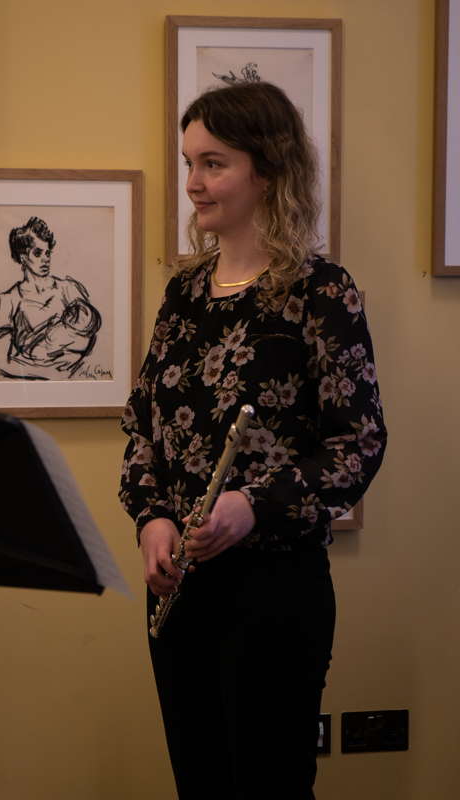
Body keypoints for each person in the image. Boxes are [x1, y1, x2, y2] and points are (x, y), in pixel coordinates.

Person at [119, 81, 387, 799]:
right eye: (188, 163)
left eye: (213, 163)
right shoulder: (184, 293)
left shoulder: (321, 291)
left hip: (275, 593)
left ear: (267, 168)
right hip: (180, 591)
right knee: (201, 785)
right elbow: (143, 426)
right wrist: (152, 518)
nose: (193, 184)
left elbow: (356, 444)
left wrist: (253, 508)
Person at [0, 216, 101, 380]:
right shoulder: (6, 301)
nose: (46, 259)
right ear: (23, 257)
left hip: (72, 380)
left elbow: (93, 343)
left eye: (48, 252)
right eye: (38, 253)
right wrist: (48, 375)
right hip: (28, 382)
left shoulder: (69, 289)